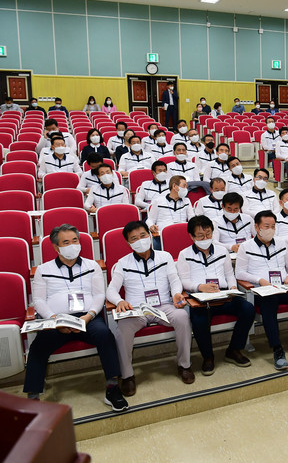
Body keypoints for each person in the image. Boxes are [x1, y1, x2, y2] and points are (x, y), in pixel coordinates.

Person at [24, 225, 128, 410]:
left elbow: (99, 295)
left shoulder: (92, 266)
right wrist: (55, 319)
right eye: (66, 242)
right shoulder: (43, 269)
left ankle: (112, 389)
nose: (72, 245)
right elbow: (38, 300)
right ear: (56, 247)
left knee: (105, 335)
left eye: (75, 241)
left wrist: (89, 316)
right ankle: (33, 398)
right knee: (38, 346)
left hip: (87, 318)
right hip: (57, 319)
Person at [106, 221, 194, 393]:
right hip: (137, 309)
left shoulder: (165, 256)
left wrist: (176, 292)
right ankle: (127, 375)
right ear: (128, 243)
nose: (140, 240)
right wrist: (119, 301)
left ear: (150, 235)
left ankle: (184, 365)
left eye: (143, 235)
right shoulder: (123, 263)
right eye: (134, 238)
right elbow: (111, 290)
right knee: (122, 327)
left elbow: (174, 280)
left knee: (182, 317)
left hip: (164, 306)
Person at [235, 210, 288, 370]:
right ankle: (277, 348)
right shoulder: (245, 247)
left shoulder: (281, 243)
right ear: (257, 227)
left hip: (283, 286)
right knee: (269, 303)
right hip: (261, 291)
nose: (270, 229)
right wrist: (260, 280)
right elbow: (239, 273)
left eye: (273, 226)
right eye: (266, 226)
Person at [178, 215, 254, 375]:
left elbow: (229, 274)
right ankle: (208, 357)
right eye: (200, 236)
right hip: (200, 298)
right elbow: (184, 281)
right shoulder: (184, 254)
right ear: (191, 236)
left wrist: (233, 287)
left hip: (224, 295)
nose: (205, 238)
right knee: (199, 320)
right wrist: (200, 287)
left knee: (248, 309)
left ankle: (234, 350)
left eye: (208, 234)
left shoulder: (221, 251)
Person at [146, 175, 195, 249]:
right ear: (174, 186)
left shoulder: (187, 201)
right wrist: (151, 226)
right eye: (184, 186)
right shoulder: (158, 201)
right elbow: (150, 220)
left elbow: (192, 219)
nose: (186, 189)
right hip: (163, 235)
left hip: (182, 233)